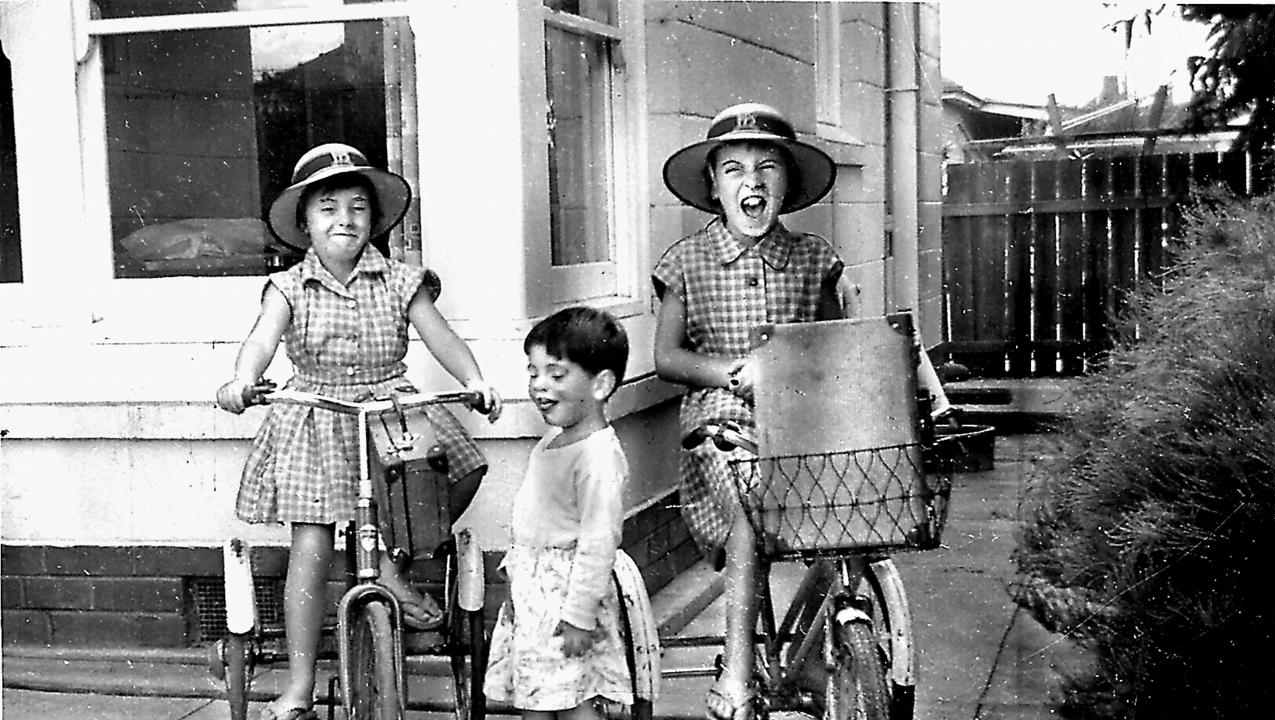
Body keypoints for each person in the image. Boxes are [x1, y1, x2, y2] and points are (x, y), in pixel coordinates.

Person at [652, 102, 951, 720]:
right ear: (713, 186)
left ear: (789, 184)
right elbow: (667, 356)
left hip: (804, 417)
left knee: (858, 495)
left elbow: (848, 343)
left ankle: (825, 651)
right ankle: (735, 670)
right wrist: (732, 372)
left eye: (768, 168)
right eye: (733, 170)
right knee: (750, 503)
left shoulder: (815, 259)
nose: (752, 182)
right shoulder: (687, 262)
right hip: (722, 416)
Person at [214, 143, 503, 720]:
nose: (343, 220)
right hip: (316, 414)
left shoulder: (400, 280)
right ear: (303, 223)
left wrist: (474, 378)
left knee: (462, 468)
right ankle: (298, 682)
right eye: (327, 208)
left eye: (357, 208)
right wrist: (242, 382)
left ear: (375, 219)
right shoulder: (289, 287)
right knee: (313, 543)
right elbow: (262, 342)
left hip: (387, 407)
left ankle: (394, 567)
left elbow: (439, 336)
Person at [484, 307, 636, 720]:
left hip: (569, 600)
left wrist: (579, 617)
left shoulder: (599, 456)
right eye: (533, 373)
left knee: (575, 696)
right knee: (535, 697)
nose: (539, 386)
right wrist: (516, 578)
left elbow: (598, 541)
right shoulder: (553, 441)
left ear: (601, 384)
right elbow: (533, 518)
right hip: (535, 597)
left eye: (556, 374)